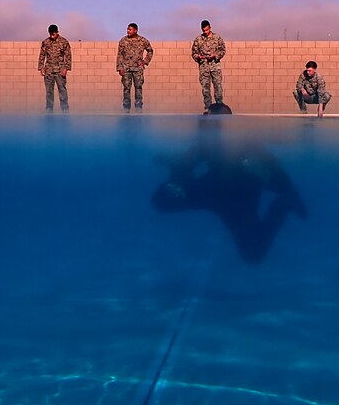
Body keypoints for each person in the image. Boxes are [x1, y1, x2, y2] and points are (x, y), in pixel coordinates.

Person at [151, 104, 307, 264]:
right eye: (211, 119)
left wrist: (289, 197)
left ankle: (280, 207)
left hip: (241, 197)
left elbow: (277, 177)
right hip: (214, 189)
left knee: (253, 255)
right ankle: (281, 205)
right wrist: (176, 174)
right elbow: (187, 163)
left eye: (217, 120)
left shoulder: (247, 143)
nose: (212, 124)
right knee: (160, 202)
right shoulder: (207, 141)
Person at [116, 23, 154, 113]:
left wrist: (145, 61)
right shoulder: (123, 40)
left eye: (130, 29)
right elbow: (119, 55)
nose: (128, 31)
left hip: (138, 69)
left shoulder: (142, 40)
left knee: (138, 88)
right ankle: (126, 109)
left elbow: (150, 51)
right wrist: (120, 68)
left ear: (135, 30)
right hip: (126, 69)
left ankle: (138, 109)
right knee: (126, 89)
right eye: (127, 29)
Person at [191, 19, 226, 113]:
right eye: (204, 31)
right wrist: (199, 57)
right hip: (204, 67)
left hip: (215, 66)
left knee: (218, 87)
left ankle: (220, 107)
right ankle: (208, 108)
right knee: (205, 89)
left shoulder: (217, 37)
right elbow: (194, 53)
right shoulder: (198, 39)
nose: (205, 32)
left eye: (207, 30)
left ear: (210, 28)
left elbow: (223, 50)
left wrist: (215, 55)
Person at [38, 24, 72, 113]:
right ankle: (49, 109)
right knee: (49, 92)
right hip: (49, 70)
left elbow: (68, 56)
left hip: (60, 71)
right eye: (50, 34)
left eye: (53, 33)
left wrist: (66, 68)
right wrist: (41, 68)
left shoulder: (64, 42)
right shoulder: (46, 42)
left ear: (57, 32)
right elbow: (42, 55)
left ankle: (65, 109)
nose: (51, 35)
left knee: (62, 90)